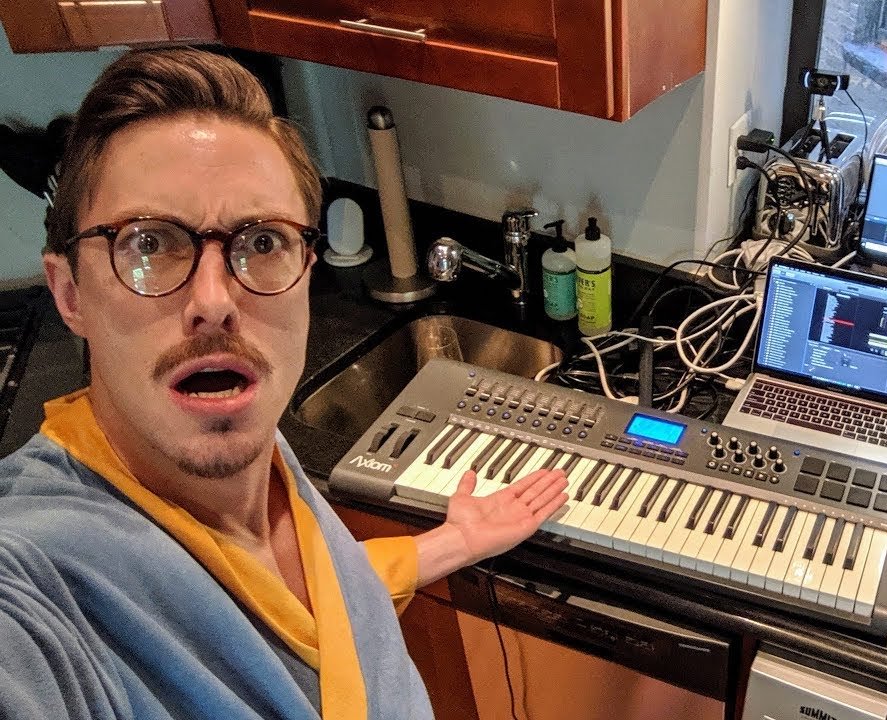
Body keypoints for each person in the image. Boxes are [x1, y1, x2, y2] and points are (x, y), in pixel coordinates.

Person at [0, 48, 568, 719]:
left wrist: (452, 543)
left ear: (306, 272)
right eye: (149, 243)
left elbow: (311, 599)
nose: (215, 300)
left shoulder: (259, 453)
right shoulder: (35, 580)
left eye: (263, 242)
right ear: (70, 293)